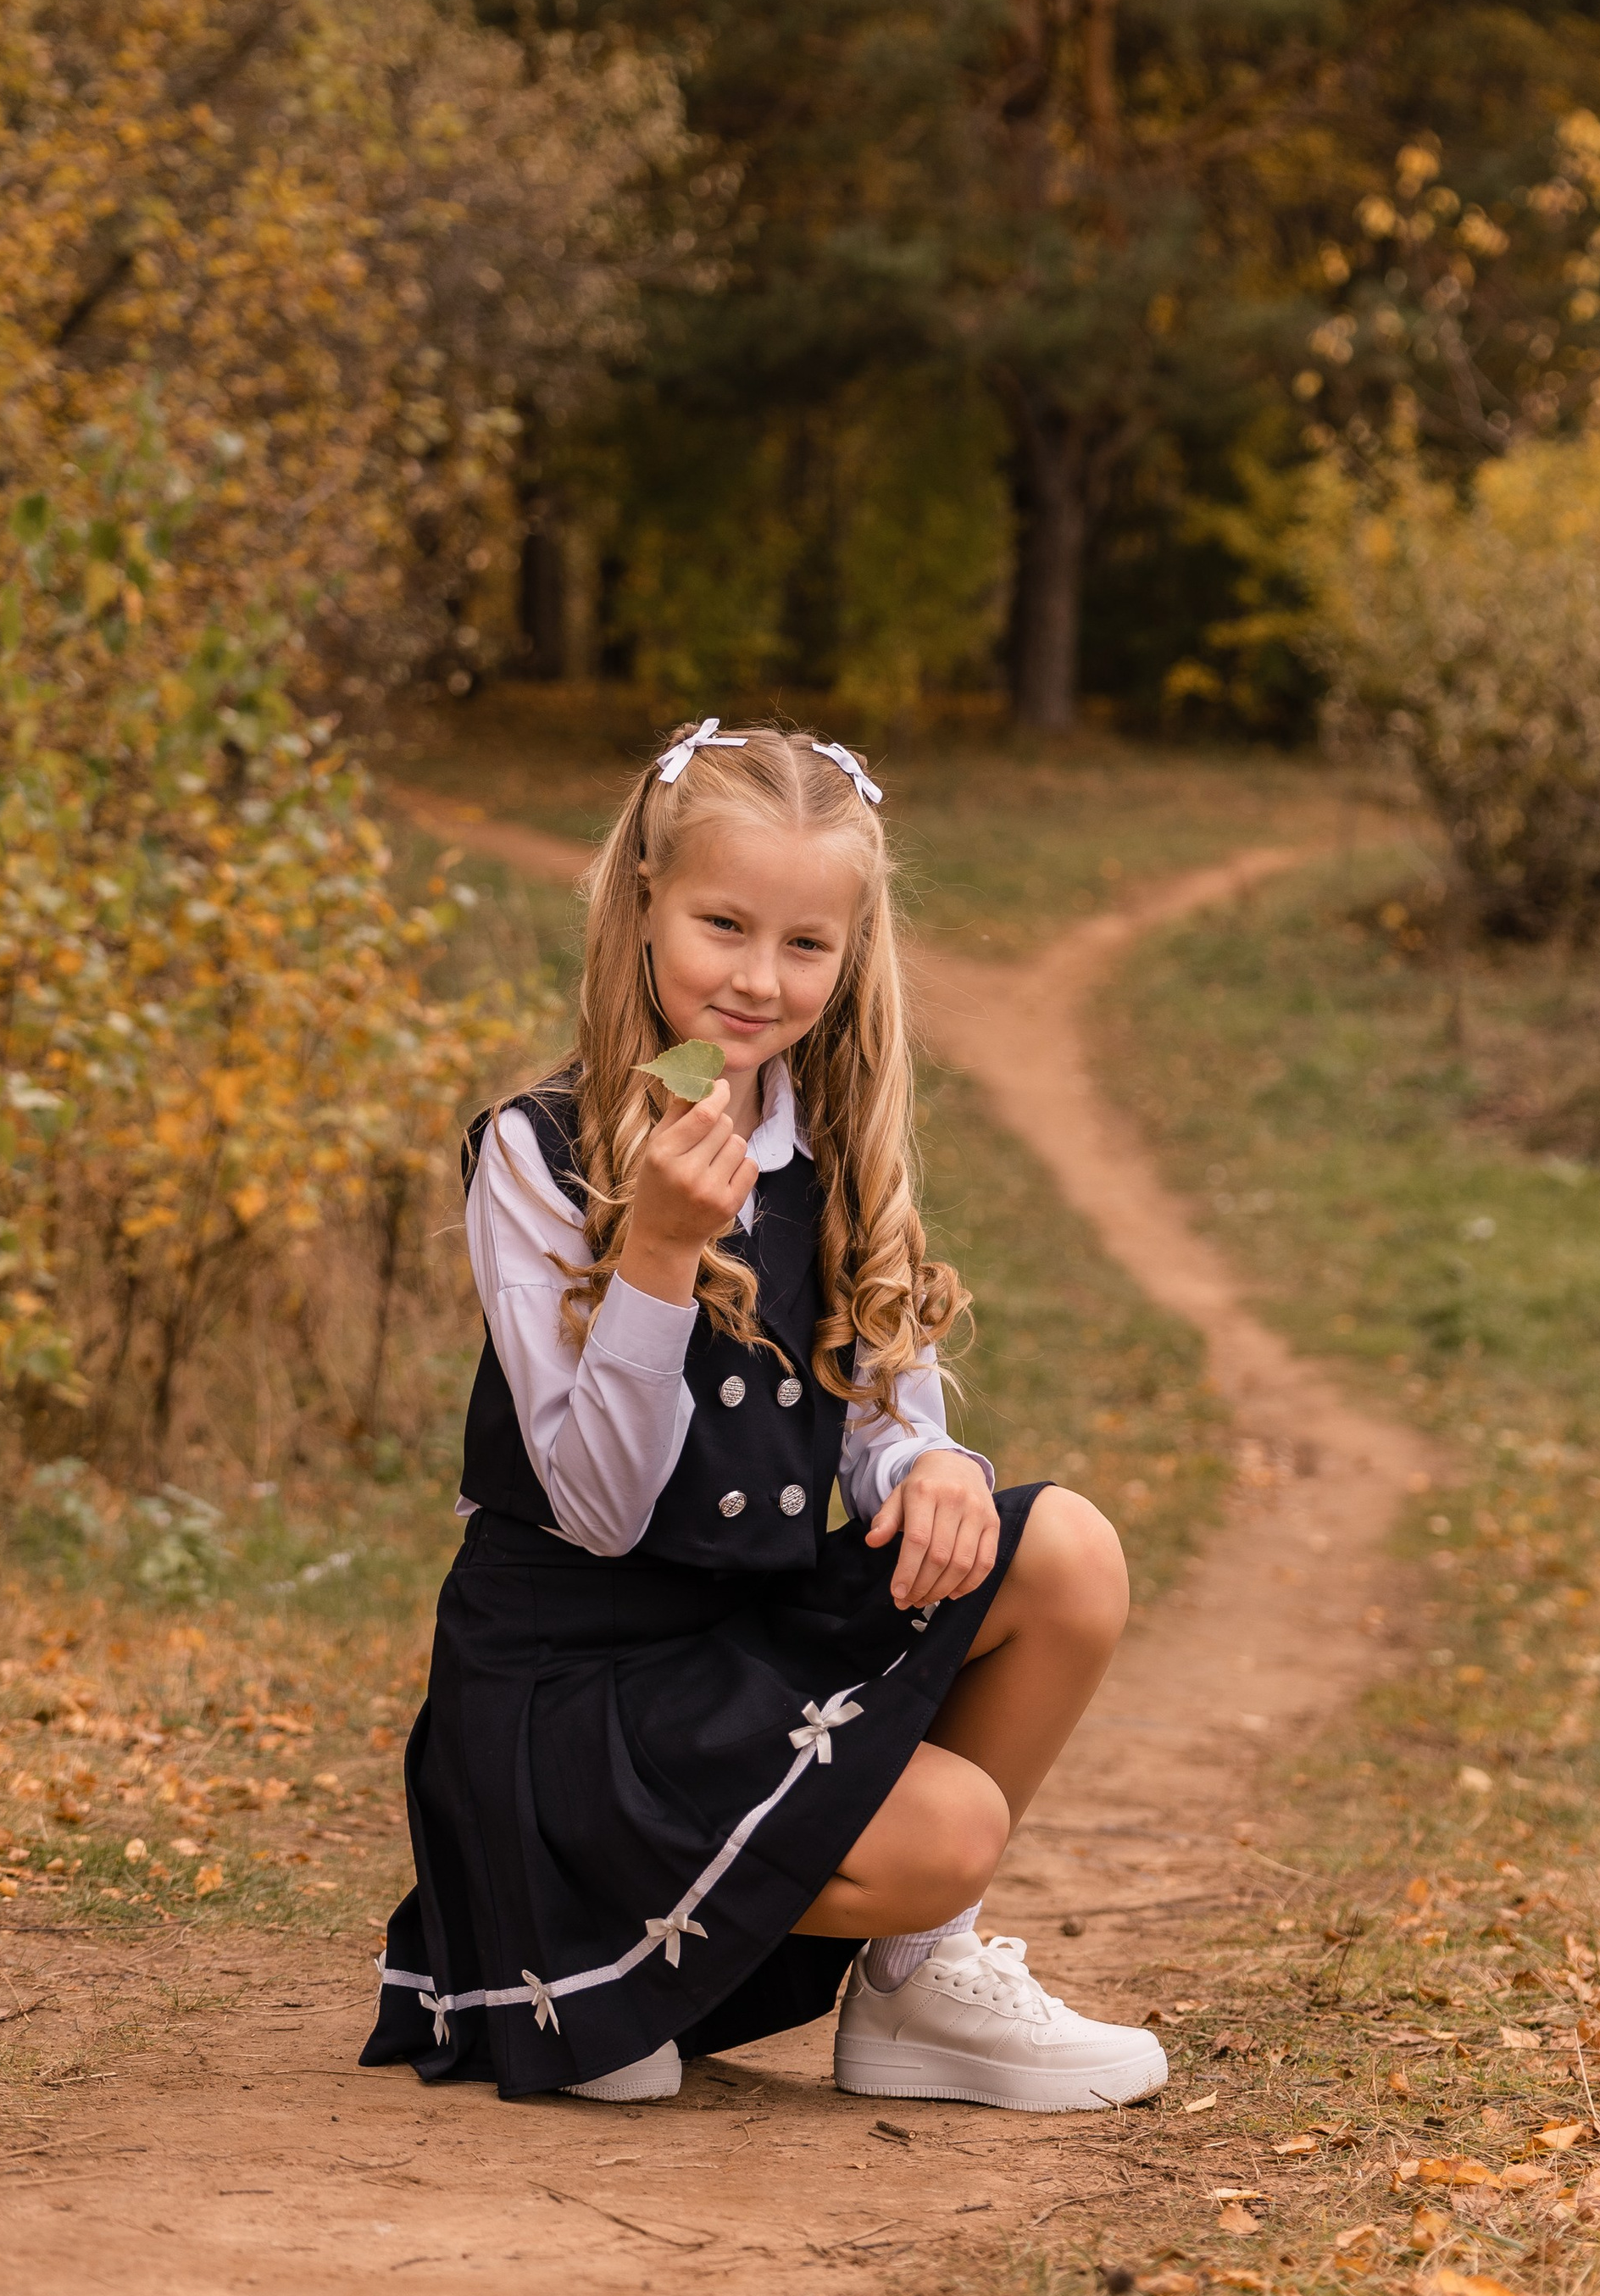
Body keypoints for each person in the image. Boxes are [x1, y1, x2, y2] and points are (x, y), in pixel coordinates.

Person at [361, 721, 1166, 2111]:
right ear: (643, 909)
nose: (756, 978)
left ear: (853, 959)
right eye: (722, 924)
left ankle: (917, 1991)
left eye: (806, 944)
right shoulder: (535, 1154)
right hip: (577, 1686)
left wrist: (935, 1467)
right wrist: (659, 1258)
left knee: (1067, 1549)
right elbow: (599, 1510)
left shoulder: (836, 1149)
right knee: (952, 1824)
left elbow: (881, 1418)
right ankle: (591, 1947)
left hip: (737, 1652)